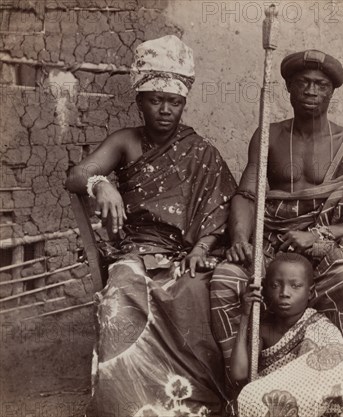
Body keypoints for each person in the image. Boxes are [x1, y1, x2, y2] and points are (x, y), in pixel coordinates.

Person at [210, 50, 343, 394]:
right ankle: (241, 392)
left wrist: (319, 234)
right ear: (288, 88)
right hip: (275, 243)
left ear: (332, 91)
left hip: (330, 246)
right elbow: (247, 194)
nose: (311, 91)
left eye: (320, 85)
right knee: (226, 279)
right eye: (303, 83)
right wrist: (241, 239)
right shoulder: (269, 135)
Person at [65, 35, 237, 416]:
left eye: (173, 102)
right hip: (136, 250)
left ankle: (193, 403)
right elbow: (77, 175)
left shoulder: (201, 151)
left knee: (197, 291)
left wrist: (202, 247)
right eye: (155, 100)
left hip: (186, 252)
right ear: (140, 101)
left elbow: (222, 205)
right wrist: (102, 182)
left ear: (184, 104)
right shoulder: (126, 141)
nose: (164, 110)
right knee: (119, 296)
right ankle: (126, 402)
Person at [231, 253, 343, 417]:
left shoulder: (319, 326)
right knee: (252, 398)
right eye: (275, 285)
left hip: (312, 403)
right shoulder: (262, 327)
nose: (284, 293)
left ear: (310, 293)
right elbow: (239, 373)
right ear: (265, 289)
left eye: (295, 286)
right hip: (275, 401)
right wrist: (245, 316)